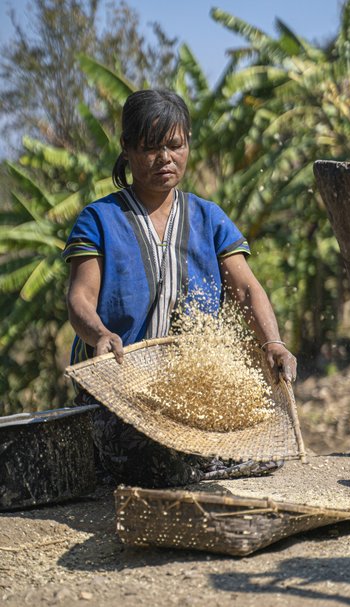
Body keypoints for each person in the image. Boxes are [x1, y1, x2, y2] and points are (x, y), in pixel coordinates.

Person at [63, 89, 297, 488]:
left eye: (175, 145)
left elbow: (245, 289)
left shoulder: (209, 218)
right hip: (120, 390)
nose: (164, 158)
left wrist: (272, 343)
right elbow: (80, 297)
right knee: (153, 457)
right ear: (127, 149)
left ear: (188, 142)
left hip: (190, 387)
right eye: (150, 147)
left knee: (261, 444)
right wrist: (99, 334)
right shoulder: (99, 219)